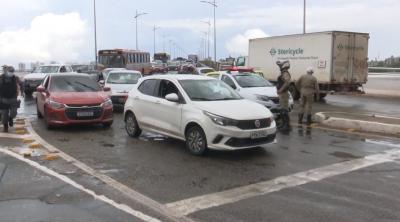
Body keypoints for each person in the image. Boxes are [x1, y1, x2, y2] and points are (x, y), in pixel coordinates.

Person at [0, 65, 20, 132]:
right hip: (3, 99)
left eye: (12, 71)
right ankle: (5, 126)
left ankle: (11, 118)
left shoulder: (16, 78)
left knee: (14, 113)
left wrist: (22, 92)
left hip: (13, 98)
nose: (11, 73)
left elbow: (21, 83)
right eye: (10, 71)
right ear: (6, 71)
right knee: (4, 115)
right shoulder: (1, 78)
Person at [276, 60, 291, 131]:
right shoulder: (283, 72)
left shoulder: (285, 73)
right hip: (282, 94)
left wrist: (280, 90)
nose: (279, 66)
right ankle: (283, 124)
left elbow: (287, 82)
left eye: (280, 65)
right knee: (282, 109)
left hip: (284, 94)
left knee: (284, 110)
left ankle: (287, 125)